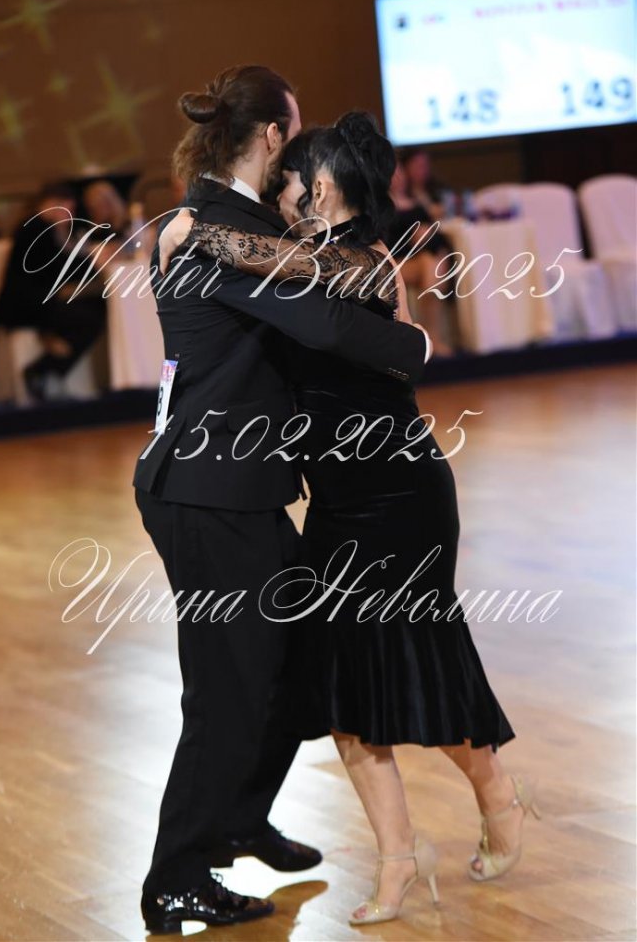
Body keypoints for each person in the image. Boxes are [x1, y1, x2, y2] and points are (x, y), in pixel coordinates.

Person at [160, 112, 540, 928]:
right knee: (341, 690)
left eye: (291, 181)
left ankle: (498, 794)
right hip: (334, 502)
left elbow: (292, 282)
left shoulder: (365, 262)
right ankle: (398, 860)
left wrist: (197, 230)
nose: (280, 194)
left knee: (418, 669)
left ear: (323, 186)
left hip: (401, 498)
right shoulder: (303, 257)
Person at [132, 66, 432, 934]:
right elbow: (323, 321)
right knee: (224, 691)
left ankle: (236, 816)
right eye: (292, 137)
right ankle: (175, 876)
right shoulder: (207, 231)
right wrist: (411, 346)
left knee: (302, 661)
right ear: (269, 136)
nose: (297, 160)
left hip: (243, 489)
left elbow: (326, 275)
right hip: (206, 492)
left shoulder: (236, 224)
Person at [0, 182, 106, 401]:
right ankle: (43, 369)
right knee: (92, 317)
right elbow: (60, 270)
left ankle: (48, 367)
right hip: (28, 306)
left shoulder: (39, 227)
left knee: (92, 309)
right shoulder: (37, 228)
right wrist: (90, 257)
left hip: (35, 301)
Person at [388, 148, 455, 356]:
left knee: (431, 262)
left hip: (420, 263)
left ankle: (431, 338)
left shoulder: (417, 206)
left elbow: (436, 238)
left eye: (400, 172)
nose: (398, 178)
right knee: (431, 265)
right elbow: (387, 243)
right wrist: (413, 238)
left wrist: (423, 237)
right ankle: (432, 338)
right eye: (392, 173)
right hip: (394, 264)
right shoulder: (382, 209)